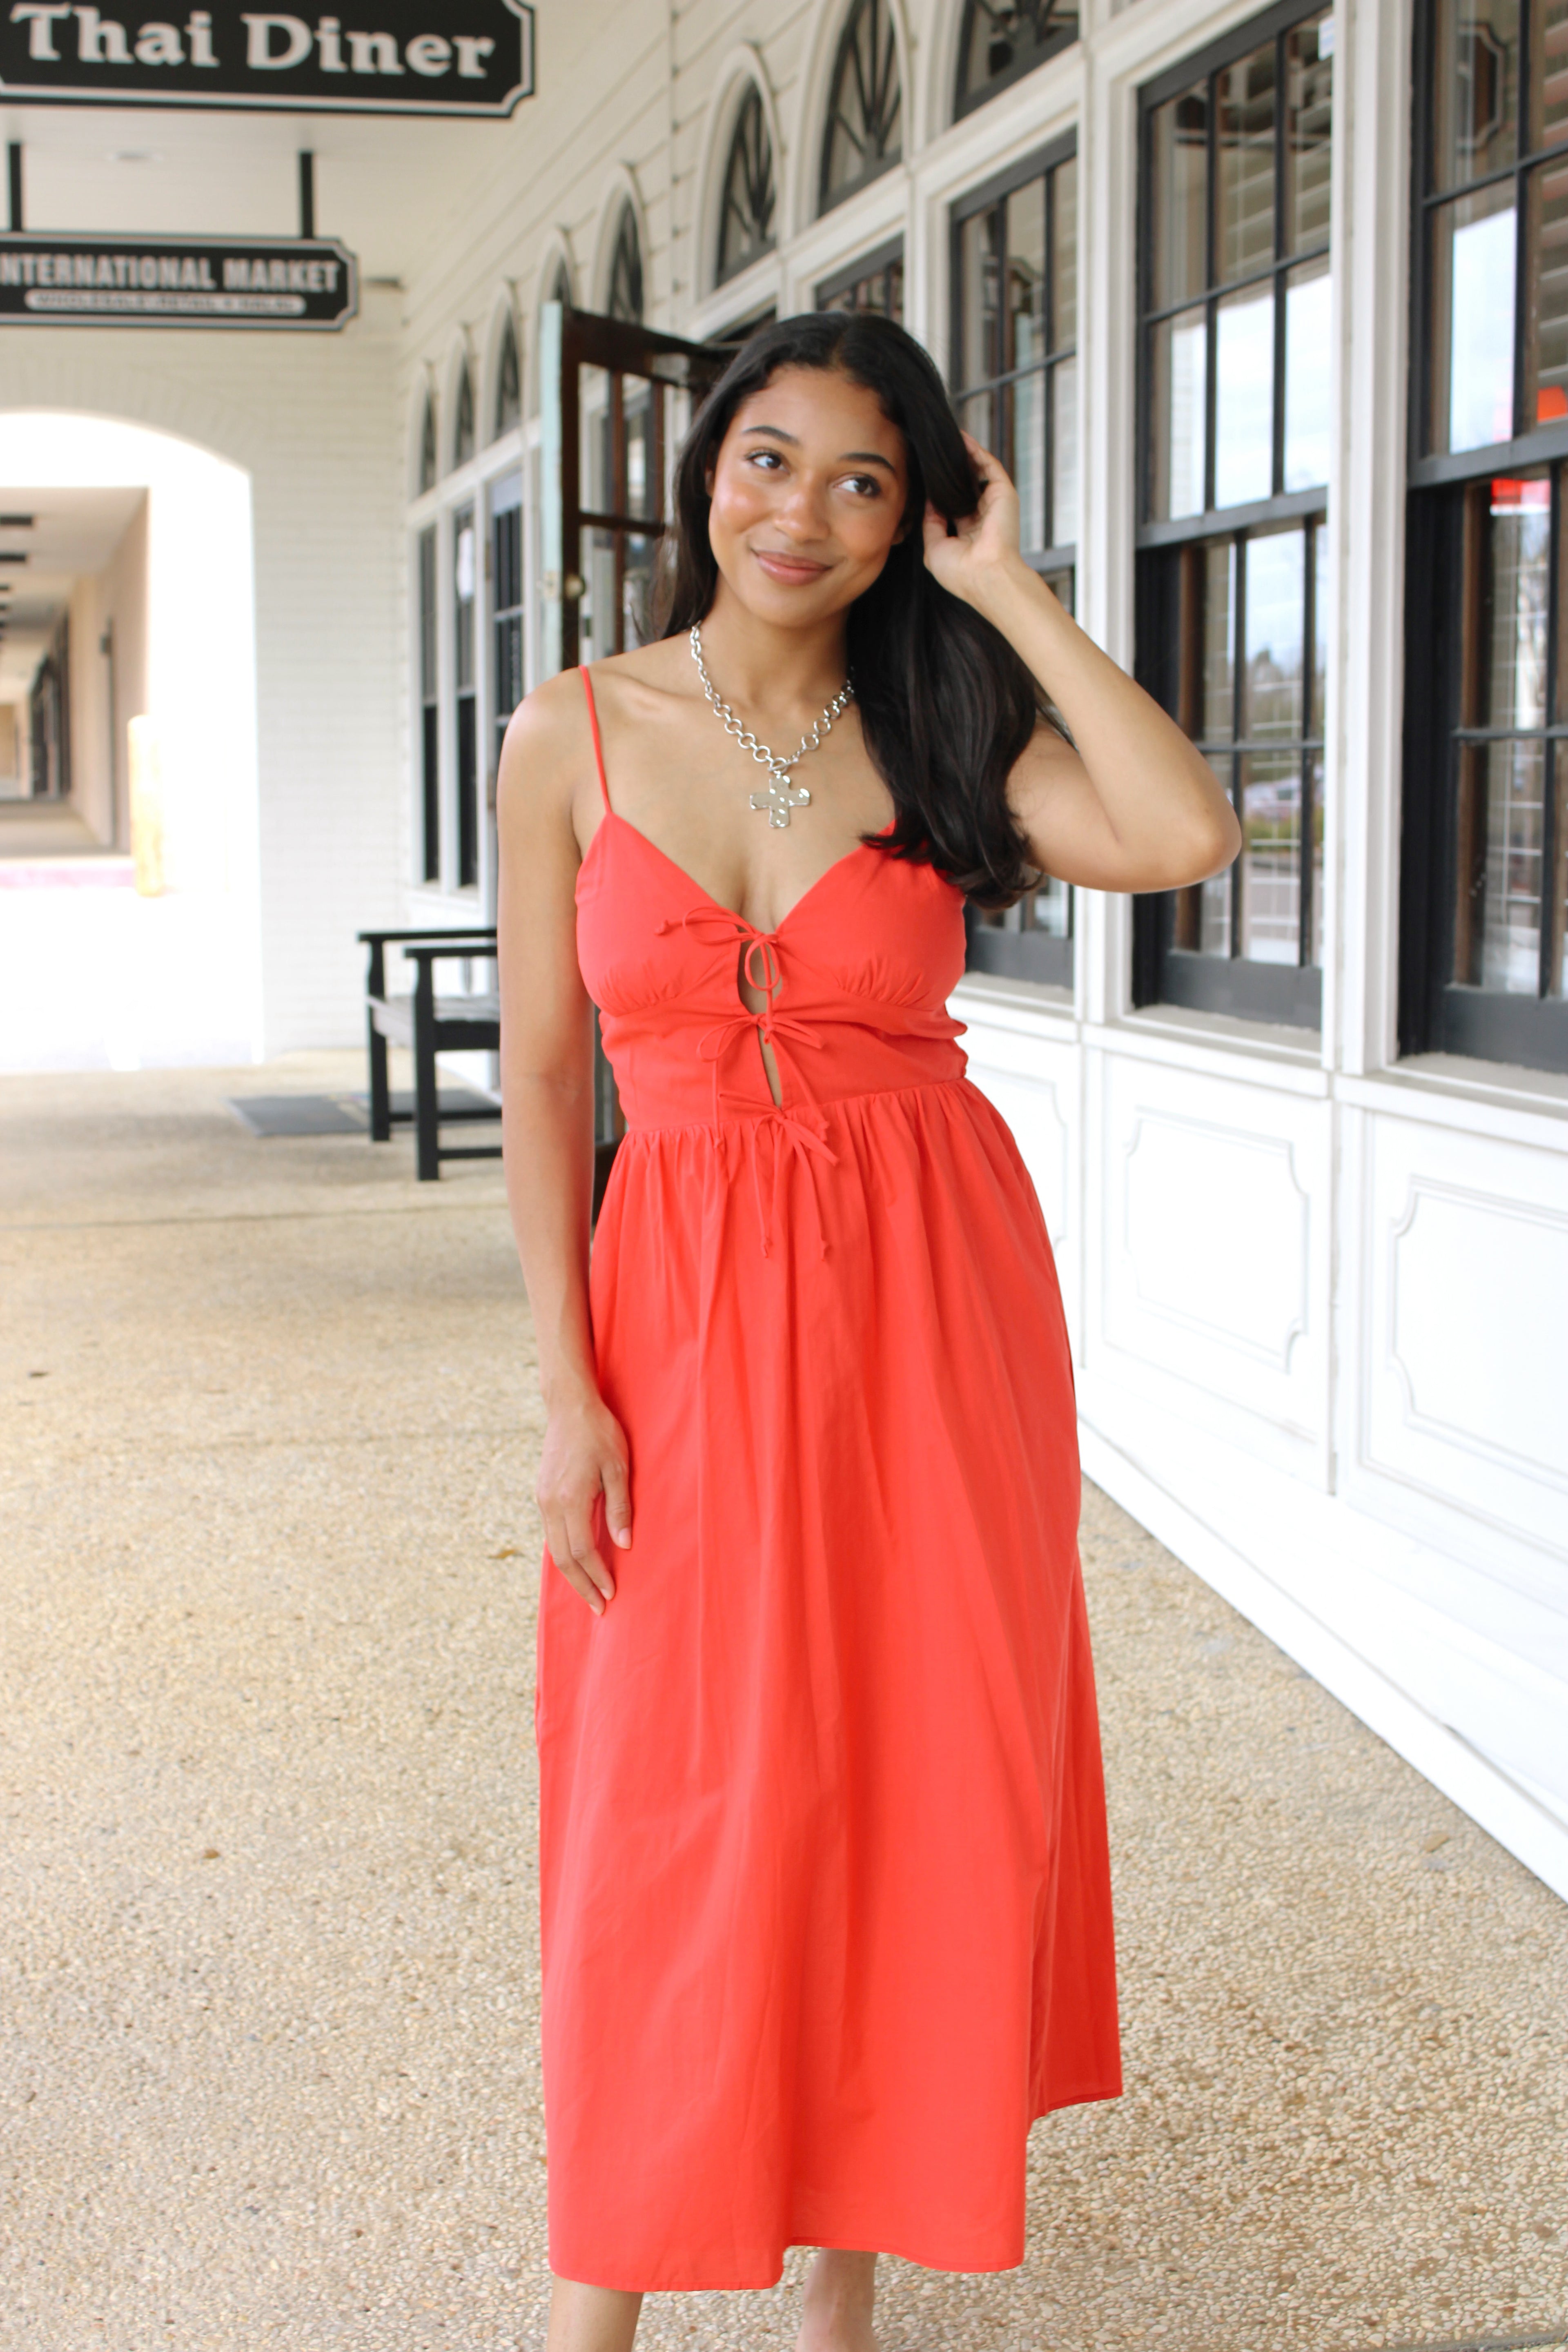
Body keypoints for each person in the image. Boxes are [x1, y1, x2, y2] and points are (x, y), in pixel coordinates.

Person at [497, 311, 1240, 2352]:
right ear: (706, 470)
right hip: (678, 1300)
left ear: (916, 516)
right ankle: (597, 2309)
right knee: (670, 1793)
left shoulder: (941, 719)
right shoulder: (572, 732)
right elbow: (549, 1081)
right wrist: (566, 1390)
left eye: (864, 482)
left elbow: (1183, 835)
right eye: (771, 459)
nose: (803, 513)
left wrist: (1011, 592)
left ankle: (846, 2296)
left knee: (905, 1766)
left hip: (932, 1305)